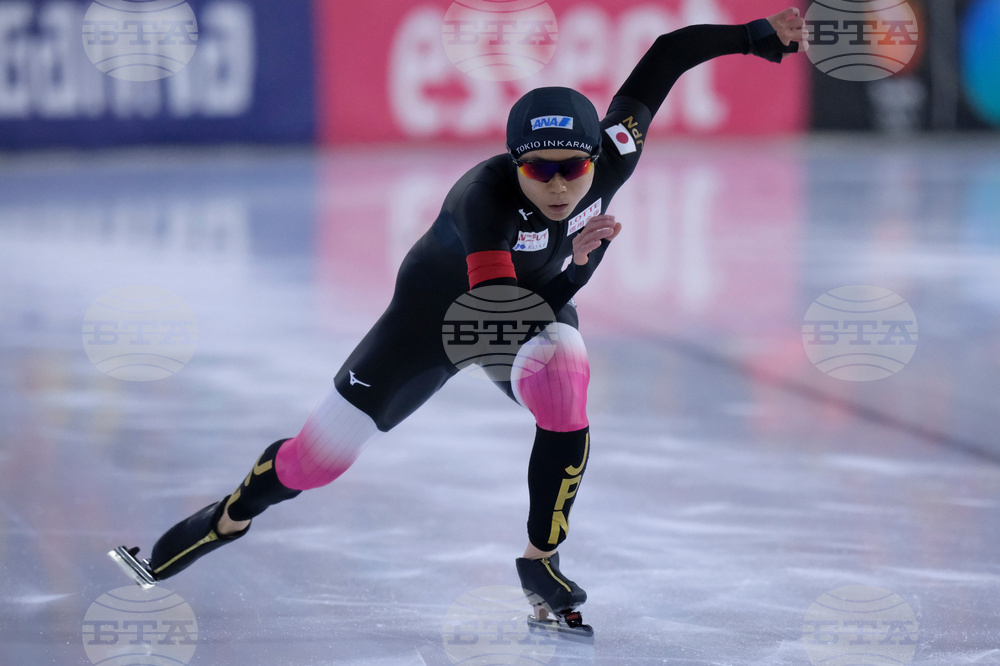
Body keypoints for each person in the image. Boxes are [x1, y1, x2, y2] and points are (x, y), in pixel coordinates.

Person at [110, 8, 808, 637]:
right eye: (542, 170)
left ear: (601, 154)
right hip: (435, 321)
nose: (562, 185)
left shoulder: (615, 149)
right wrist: (580, 271)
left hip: (527, 305)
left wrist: (755, 37)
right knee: (312, 464)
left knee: (568, 384)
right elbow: (493, 322)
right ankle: (225, 517)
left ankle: (541, 560)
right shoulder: (488, 201)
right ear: (515, 163)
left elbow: (667, 52)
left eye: (574, 168)